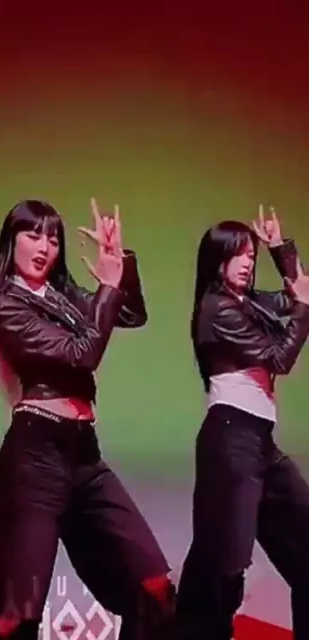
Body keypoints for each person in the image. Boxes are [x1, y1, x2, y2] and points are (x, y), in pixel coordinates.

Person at [0, 199, 176, 640]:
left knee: (154, 586)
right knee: (15, 615)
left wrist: (119, 265)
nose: (44, 247)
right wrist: (106, 288)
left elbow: (131, 314)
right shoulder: (8, 305)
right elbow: (83, 354)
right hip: (35, 459)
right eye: (33, 235)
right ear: (11, 242)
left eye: (53, 238)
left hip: (84, 455)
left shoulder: (63, 296)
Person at [175, 207, 309, 639]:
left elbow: (297, 293)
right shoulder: (216, 309)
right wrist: (304, 310)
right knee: (224, 569)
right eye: (239, 254)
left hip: (261, 442)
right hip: (231, 438)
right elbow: (280, 358)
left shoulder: (249, 303)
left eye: (252, 254)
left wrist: (280, 249)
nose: (248, 262)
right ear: (218, 259)